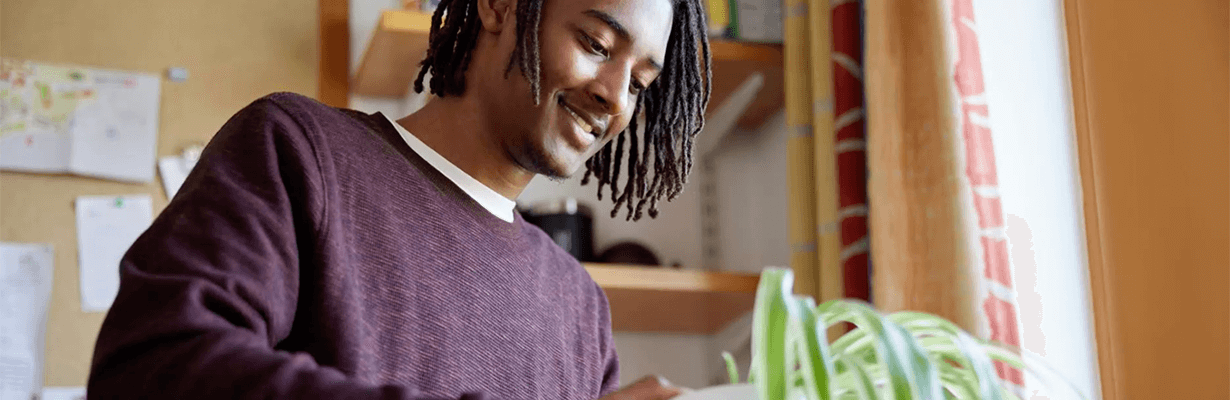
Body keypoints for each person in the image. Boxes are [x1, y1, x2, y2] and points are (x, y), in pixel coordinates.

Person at [87, 0, 709, 397]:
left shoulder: (582, 312)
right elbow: (149, 368)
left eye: (641, 82)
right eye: (598, 45)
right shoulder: (300, 151)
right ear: (499, 6)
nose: (617, 98)